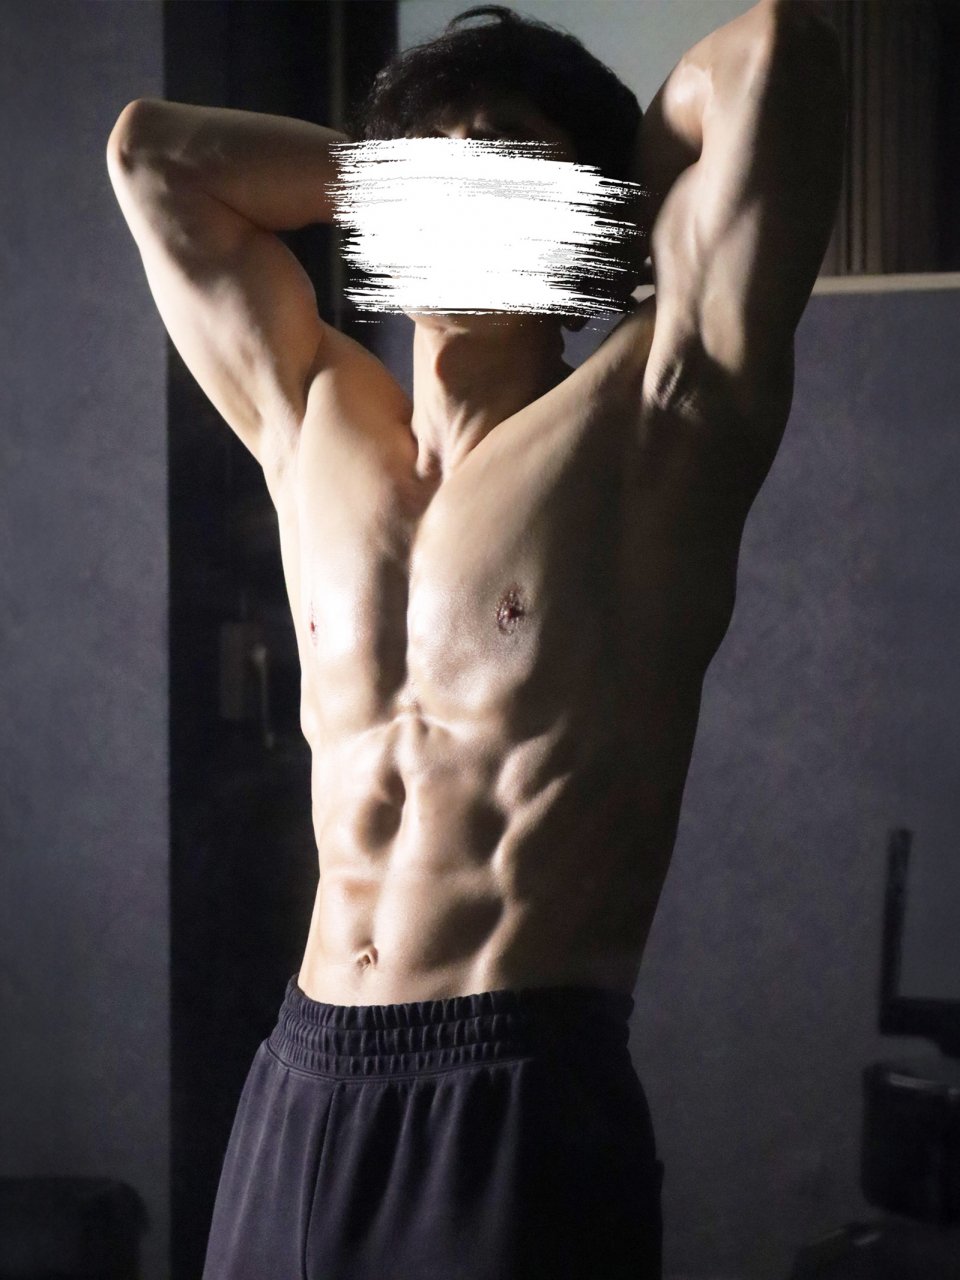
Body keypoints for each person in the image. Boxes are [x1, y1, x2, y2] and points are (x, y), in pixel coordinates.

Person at [106, 3, 845, 1277]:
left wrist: (588, 207)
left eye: (502, 150)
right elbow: (152, 156)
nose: (458, 178)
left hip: (512, 1090)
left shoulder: (656, 415)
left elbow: (776, 55)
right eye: (427, 160)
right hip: (301, 1078)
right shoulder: (312, 420)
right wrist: (416, 180)